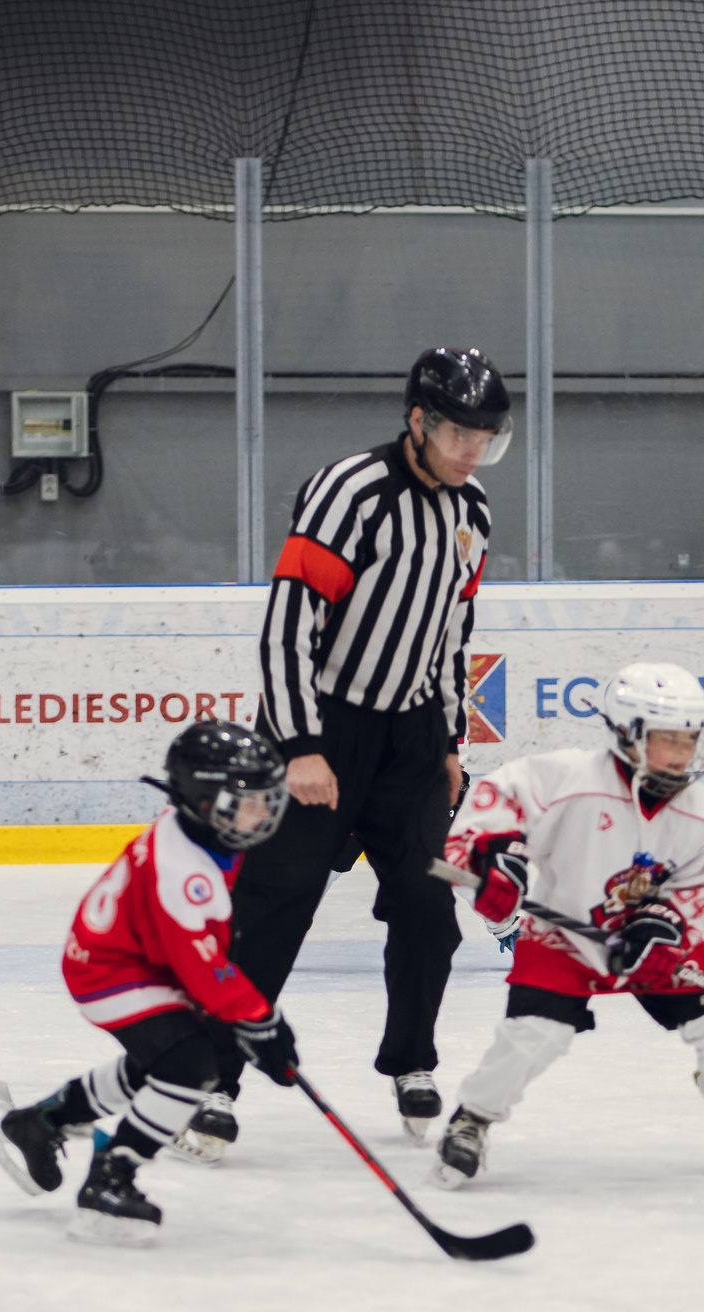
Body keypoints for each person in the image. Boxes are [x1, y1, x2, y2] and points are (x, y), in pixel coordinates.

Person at [192, 348, 510, 1155]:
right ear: (418, 422)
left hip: (409, 744)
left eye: (486, 435)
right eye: (458, 433)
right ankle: (210, 1077)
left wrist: (447, 738)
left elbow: (450, 634)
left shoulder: (473, 512)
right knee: (272, 906)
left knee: (429, 906)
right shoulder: (349, 493)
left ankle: (411, 1059)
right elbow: (287, 627)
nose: (472, 450)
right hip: (320, 727)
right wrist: (299, 746)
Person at [429, 661, 704, 1189]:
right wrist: (493, 859)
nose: (682, 753)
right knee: (534, 1035)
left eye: (689, 739)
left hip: (650, 944)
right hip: (562, 939)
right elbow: (492, 808)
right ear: (626, 733)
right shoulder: (565, 778)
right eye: (667, 738)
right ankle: (473, 1119)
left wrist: (664, 926)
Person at [0, 722, 299, 1243]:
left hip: (132, 956)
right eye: (245, 801)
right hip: (112, 971)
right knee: (192, 1067)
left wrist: (251, 1021)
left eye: (264, 799)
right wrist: (263, 1024)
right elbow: (205, 971)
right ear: (200, 796)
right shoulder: (183, 870)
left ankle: (42, 1121)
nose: (261, 812)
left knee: (163, 1062)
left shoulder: (194, 828)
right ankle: (112, 1176)